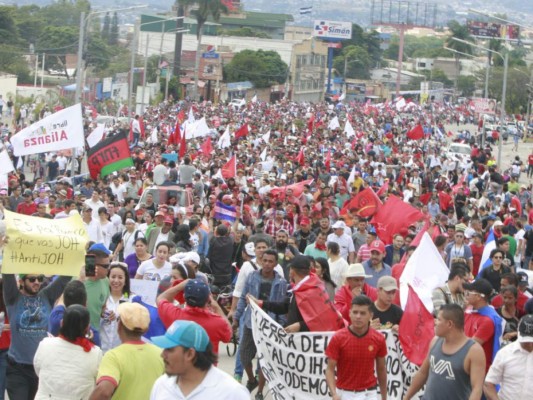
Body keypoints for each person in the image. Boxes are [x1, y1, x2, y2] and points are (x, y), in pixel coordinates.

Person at [3, 271, 71, 400]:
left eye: (40, 279)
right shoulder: (13, 298)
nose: (37, 282)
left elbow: (64, 278)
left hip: (41, 369)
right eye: (32, 279)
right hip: (17, 368)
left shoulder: (46, 295)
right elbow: (7, 273)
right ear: (21, 282)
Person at [233, 249, 287, 399]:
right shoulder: (252, 276)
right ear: (261, 261)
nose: (267, 264)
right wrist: (237, 318)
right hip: (251, 322)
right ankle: (251, 380)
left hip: (269, 325)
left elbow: (282, 306)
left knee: (264, 359)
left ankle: (260, 391)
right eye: (265, 260)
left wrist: (281, 326)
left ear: (276, 264)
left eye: (271, 261)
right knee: (244, 355)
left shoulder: (281, 282)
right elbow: (243, 297)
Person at [404, 304, 486, 400]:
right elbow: (422, 373)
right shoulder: (435, 341)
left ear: (450, 324)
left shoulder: (474, 351)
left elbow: (477, 389)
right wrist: (406, 398)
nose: (435, 322)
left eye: (439, 319)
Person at [150, 320, 249, 400]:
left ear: (190, 354)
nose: (163, 355)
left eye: (169, 349)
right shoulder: (161, 385)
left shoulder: (232, 393)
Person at [90, 302, 164, 399]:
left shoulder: (113, 356)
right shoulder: (161, 354)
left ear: (119, 325)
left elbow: (104, 391)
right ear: (145, 330)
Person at [257, 255, 344, 332]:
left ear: (292, 271)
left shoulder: (313, 290)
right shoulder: (299, 289)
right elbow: (285, 306)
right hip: (297, 341)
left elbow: (322, 318)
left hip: (306, 342)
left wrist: (300, 326)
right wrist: (262, 303)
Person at [325, 295, 387, 400]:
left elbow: (381, 369)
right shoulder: (338, 338)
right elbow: (329, 369)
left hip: (370, 393)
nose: (358, 316)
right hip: (344, 394)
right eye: (355, 312)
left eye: (362, 313)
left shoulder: (379, 339)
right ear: (349, 313)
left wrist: (384, 397)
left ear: (370, 315)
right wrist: (334, 394)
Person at [34, 305, 102, 400]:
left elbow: (38, 370)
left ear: (62, 323)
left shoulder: (45, 344)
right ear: (87, 328)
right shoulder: (95, 353)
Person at [156, 279, 232, 357]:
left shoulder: (174, 315)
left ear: (184, 296)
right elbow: (228, 335)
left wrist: (179, 287)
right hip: (206, 368)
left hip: (178, 366)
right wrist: (217, 308)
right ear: (208, 299)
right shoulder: (218, 322)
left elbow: (160, 298)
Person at [484, 314, 533, 400]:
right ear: (518, 332)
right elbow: (489, 384)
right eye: (526, 341)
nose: (529, 344)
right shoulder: (504, 354)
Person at [463, 278, 504, 372]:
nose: (466, 295)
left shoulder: (488, 320)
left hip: (479, 371)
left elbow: (470, 346)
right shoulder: (469, 311)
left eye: (469, 293)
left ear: (478, 297)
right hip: (467, 366)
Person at [85, 243, 112, 347]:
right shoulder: (78, 281)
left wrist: (107, 314)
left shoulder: (105, 281)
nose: (109, 269)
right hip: (77, 334)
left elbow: (102, 308)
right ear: (94, 265)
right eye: (106, 266)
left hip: (94, 334)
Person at [100, 263, 130, 353]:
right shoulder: (101, 297)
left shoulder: (131, 299)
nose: (116, 281)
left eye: (120, 277)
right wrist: (102, 316)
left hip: (121, 352)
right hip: (101, 349)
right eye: (113, 277)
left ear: (125, 280)